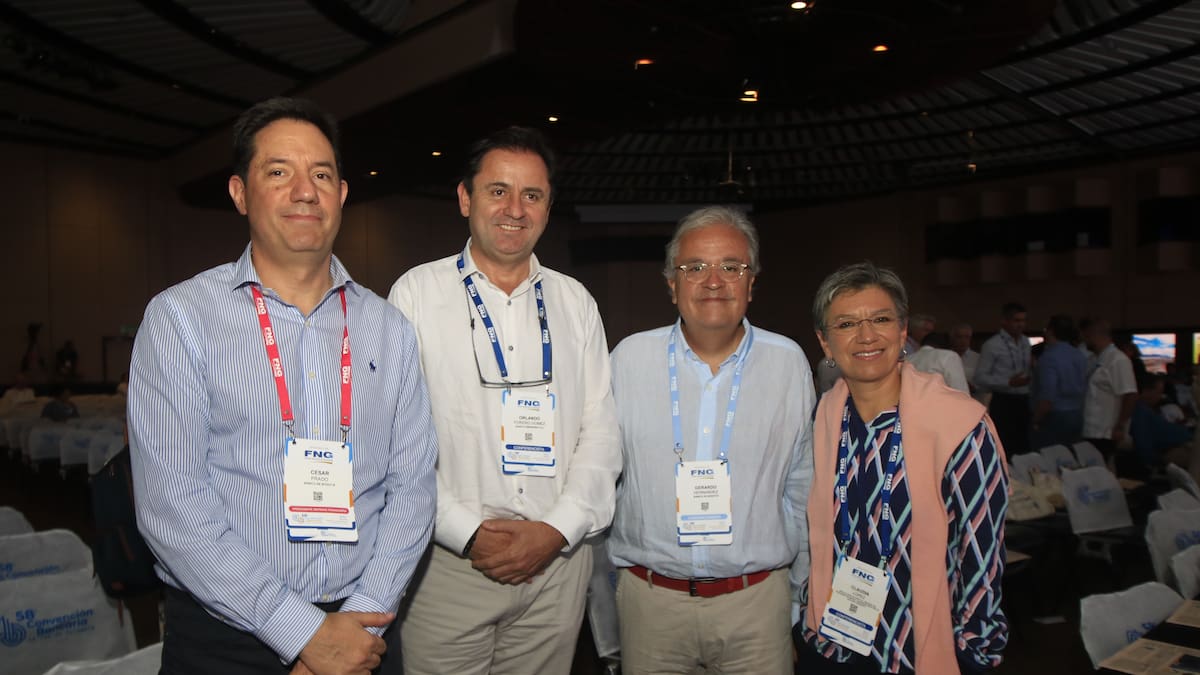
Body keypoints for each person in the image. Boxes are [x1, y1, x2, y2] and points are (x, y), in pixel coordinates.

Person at [128, 97, 437, 675]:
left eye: (321, 174)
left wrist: (359, 622)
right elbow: (173, 507)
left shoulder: (388, 329)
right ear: (240, 193)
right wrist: (304, 634)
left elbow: (414, 487)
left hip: (363, 633)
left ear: (342, 194)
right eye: (278, 172)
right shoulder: (179, 320)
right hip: (227, 638)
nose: (304, 191)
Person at [388, 127, 621, 675]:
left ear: (547, 206)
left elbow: (602, 433)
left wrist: (556, 530)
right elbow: (396, 442)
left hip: (555, 568)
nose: (515, 209)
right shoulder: (414, 296)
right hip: (449, 568)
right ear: (466, 198)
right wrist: (468, 534)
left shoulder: (575, 302)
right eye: (498, 191)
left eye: (532, 195)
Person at [607, 206, 814, 674]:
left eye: (731, 267)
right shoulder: (628, 360)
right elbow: (602, 481)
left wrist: (796, 597)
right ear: (671, 283)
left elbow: (801, 489)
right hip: (651, 607)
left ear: (752, 281)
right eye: (695, 267)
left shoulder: (788, 364)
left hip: (756, 605)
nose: (713, 280)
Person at [797, 262, 1008, 674]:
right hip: (836, 642)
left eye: (880, 319)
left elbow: (982, 554)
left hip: (917, 647)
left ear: (903, 330)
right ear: (825, 342)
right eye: (845, 324)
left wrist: (973, 652)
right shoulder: (827, 413)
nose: (866, 336)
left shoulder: (960, 424)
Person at [975, 302, 1032, 454]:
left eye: (1023, 321)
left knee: (1023, 444)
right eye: (1016, 321)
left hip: (1024, 399)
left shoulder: (1026, 342)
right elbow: (980, 377)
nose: (1021, 325)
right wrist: (1008, 383)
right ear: (1004, 321)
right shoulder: (992, 345)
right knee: (1005, 445)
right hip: (1003, 400)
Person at [1081, 319, 1137, 468]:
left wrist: (1120, 425)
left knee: (1102, 472)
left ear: (1095, 336)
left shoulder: (1118, 360)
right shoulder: (1094, 359)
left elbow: (1130, 394)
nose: (1085, 341)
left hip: (1106, 432)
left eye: (1086, 337)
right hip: (1091, 430)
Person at [1030, 315, 1087, 450]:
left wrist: (1036, 419)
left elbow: (1047, 397)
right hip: (1077, 414)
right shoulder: (1079, 355)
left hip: (1054, 418)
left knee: (1050, 461)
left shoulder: (1049, 358)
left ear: (1050, 331)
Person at [949, 323, 985, 404]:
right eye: (959, 337)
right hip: (949, 400)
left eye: (967, 337)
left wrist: (973, 387)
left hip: (973, 401)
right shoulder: (944, 357)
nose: (963, 341)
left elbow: (985, 384)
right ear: (952, 338)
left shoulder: (978, 359)